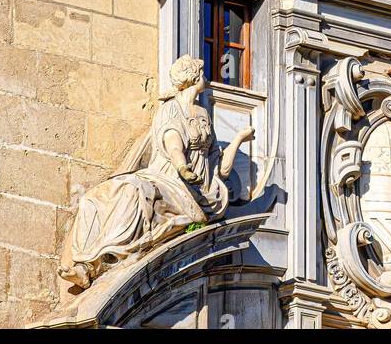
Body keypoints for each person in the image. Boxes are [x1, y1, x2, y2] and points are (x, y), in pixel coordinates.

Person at [59, 54, 254, 291]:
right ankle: (88, 263)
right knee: (96, 197)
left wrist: (239, 139)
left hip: (200, 193)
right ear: (193, 77)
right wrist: (182, 166)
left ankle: (98, 260)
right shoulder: (170, 110)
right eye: (201, 73)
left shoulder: (203, 115)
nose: (205, 78)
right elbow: (172, 142)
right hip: (171, 178)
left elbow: (221, 168)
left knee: (134, 190)